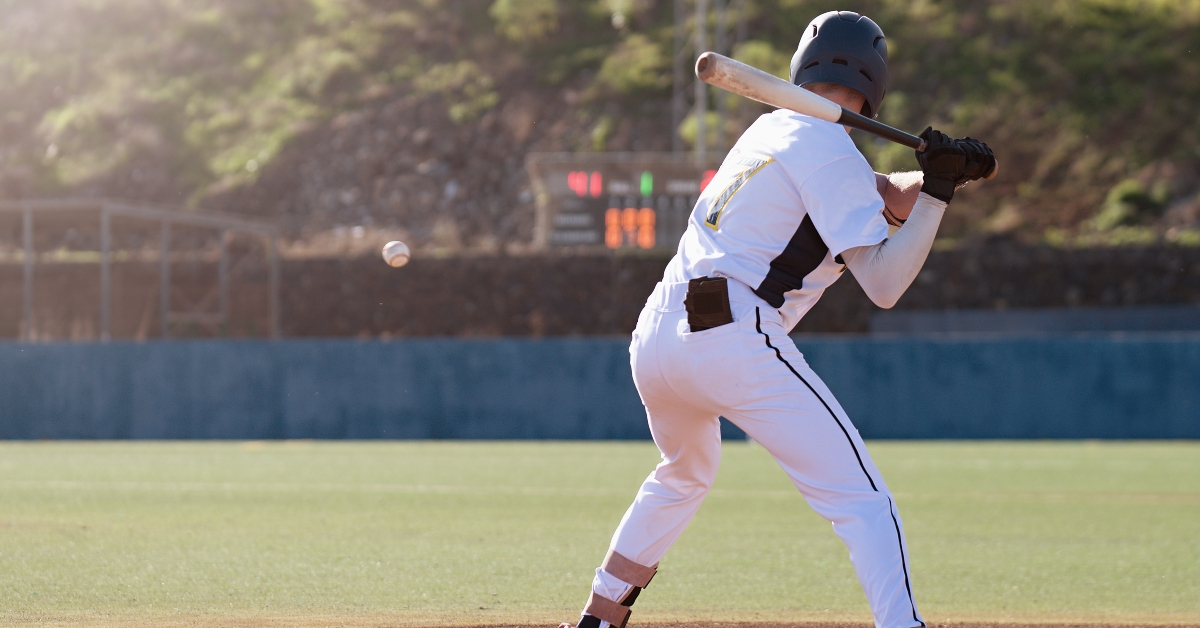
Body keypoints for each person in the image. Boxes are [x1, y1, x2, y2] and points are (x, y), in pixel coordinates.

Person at [558, 10, 996, 628]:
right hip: (734, 335)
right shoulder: (828, 148)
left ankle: (600, 617)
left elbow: (875, 190)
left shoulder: (773, 131)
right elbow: (885, 283)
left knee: (684, 473)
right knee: (864, 501)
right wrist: (938, 196)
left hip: (659, 333)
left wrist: (939, 175)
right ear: (875, 81)